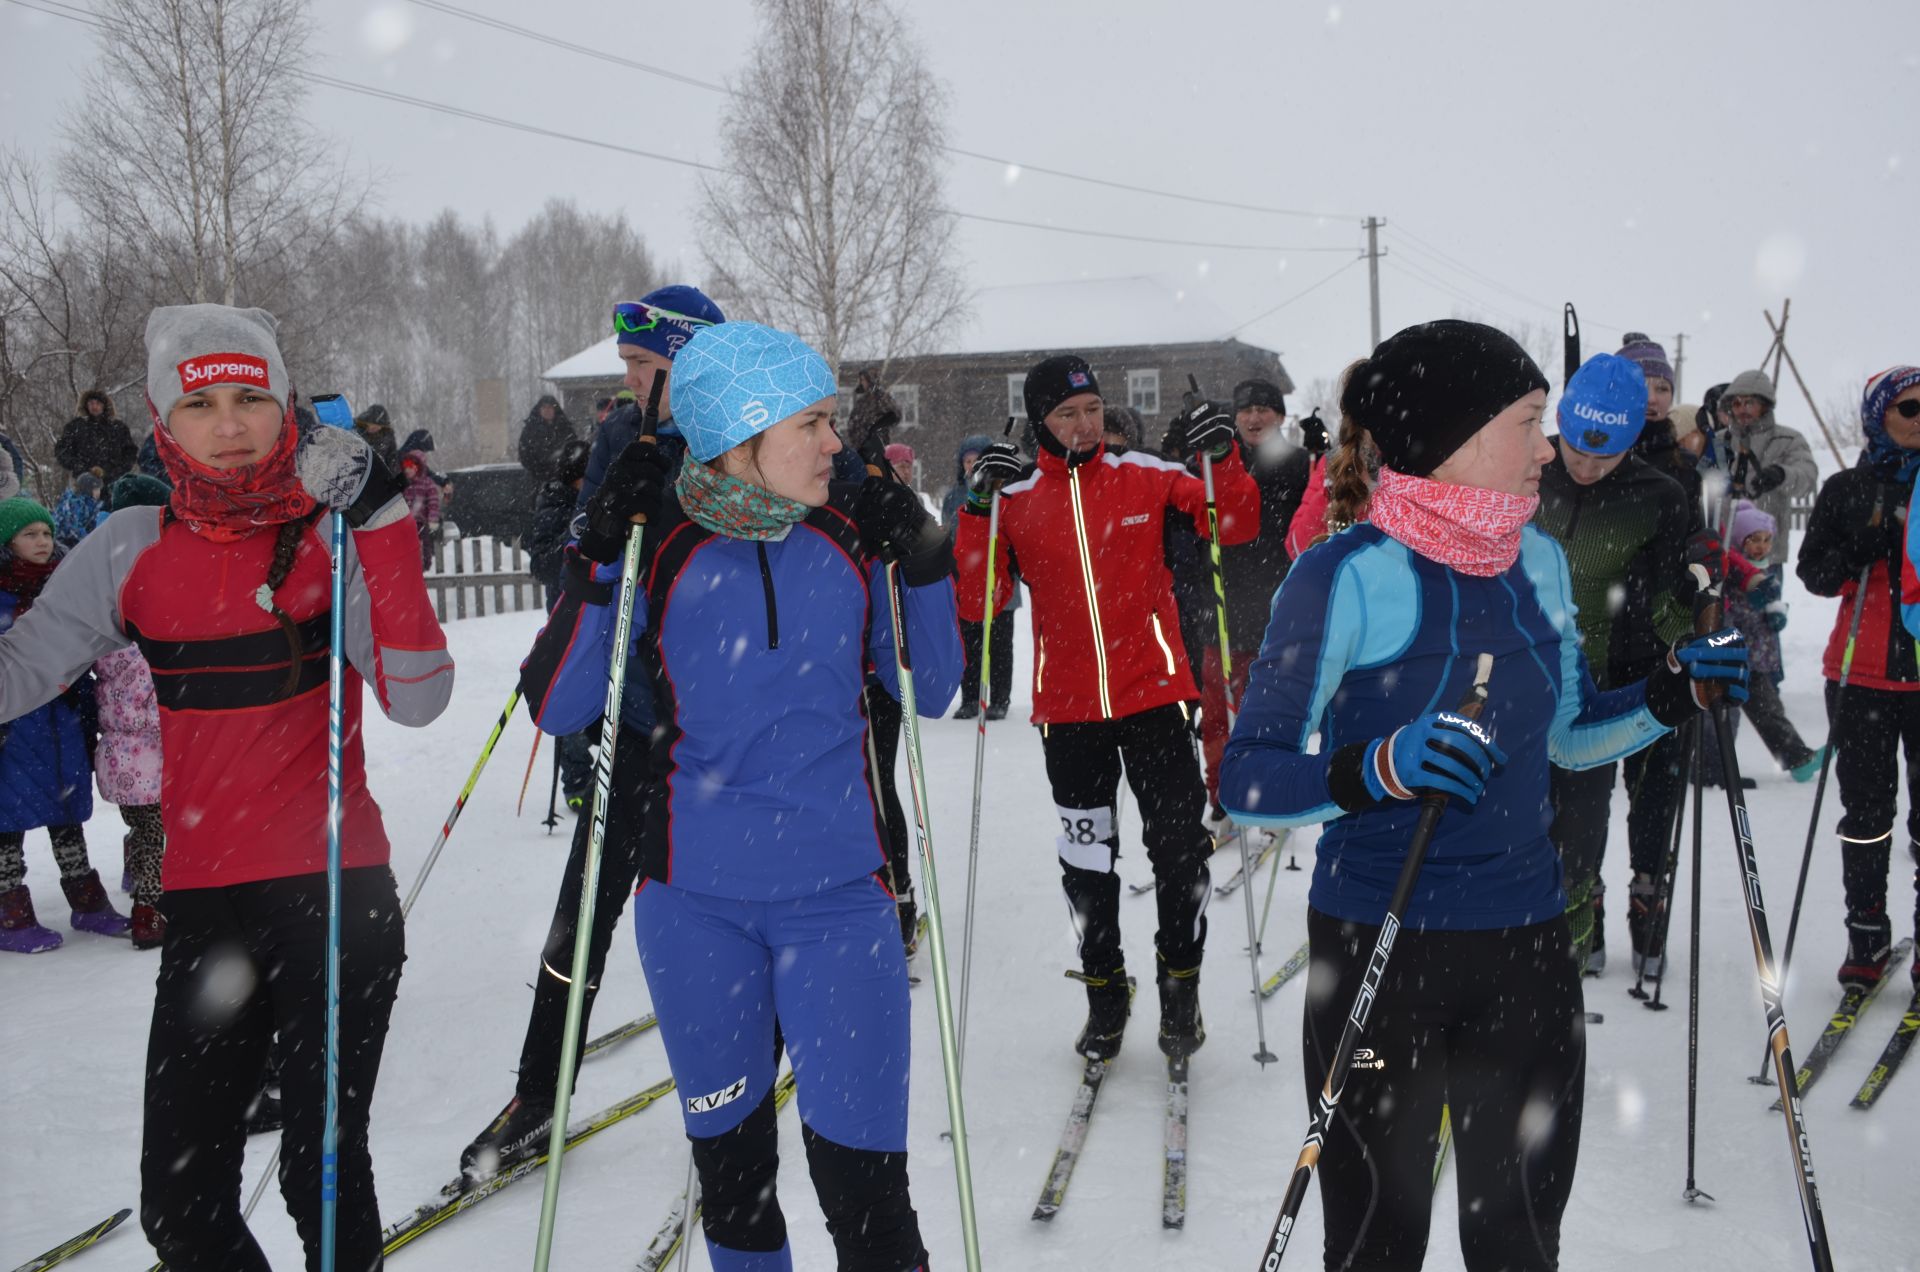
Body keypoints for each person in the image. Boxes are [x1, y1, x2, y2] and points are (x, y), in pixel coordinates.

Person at [1219, 320, 1748, 1271]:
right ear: (1459, 437)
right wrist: (1378, 767)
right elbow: (1248, 777)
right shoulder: (1342, 577)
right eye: (1532, 422)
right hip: (1380, 952)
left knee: (1517, 1237)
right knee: (1381, 1236)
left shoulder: (1536, 561)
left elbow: (1570, 737)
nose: (1549, 448)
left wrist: (1672, 689)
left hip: (1528, 949)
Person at [0, 303, 453, 1268]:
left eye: (252, 397)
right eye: (202, 403)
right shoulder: (131, 545)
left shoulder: (331, 533)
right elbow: (17, 674)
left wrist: (378, 523)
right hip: (206, 900)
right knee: (180, 1203)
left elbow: (418, 697)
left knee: (317, 1173)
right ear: (166, 419)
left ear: (284, 406)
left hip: (333, 892)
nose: (233, 424)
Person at [523, 320, 957, 1270]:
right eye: (814, 423)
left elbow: (935, 680)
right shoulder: (658, 544)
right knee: (736, 1190)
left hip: (842, 903)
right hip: (695, 912)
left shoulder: (845, 536)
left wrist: (922, 560)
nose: (837, 444)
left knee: (870, 1202)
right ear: (742, 436)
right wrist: (595, 557)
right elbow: (557, 705)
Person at [460, 287, 723, 1184]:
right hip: (639, 714)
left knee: (712, 923)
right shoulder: (621, 435)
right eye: (629, 368)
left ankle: (735, 1083)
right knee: (581, 917)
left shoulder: (745, 434)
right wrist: (601, 532)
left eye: (647, 369)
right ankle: (538, 1092)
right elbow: (582, 555)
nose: (631, 384)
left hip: (725, 739)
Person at [956, 355, 1259, 1060]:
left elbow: (1233, 523)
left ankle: (1179, 991)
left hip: (1154, 698)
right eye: (1068, 414)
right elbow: (982, 601)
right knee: (1088, 867)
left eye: (1093, 409)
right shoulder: (1018, 498)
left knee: (1180, 852)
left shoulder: (1147, 478)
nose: (1086, 424)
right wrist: (977, 511)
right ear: (1040, 423)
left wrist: (1224, 455)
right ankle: (1105, 992)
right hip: (1068, 717)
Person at [1533, 354, 1695, 977]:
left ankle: (1618, 916)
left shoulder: (1658, 495)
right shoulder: (1528, 467)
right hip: (1535, 674)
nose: (1586, 465)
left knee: (1616, 807)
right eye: (1576, 447)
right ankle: (1563, 929)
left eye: (1606, 455)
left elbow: (1664, 598)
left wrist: (1696, 642)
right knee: (1551, 822)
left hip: (1612, 678)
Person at [1806, 365, 1920, 988]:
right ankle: (1866, 935)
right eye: (1909, 408)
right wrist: (1865, 547)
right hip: (1861, 674)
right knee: (1867, 815)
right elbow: (1815, 574)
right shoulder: (1848, 487)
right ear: (1880, 414)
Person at [0, 496, 127, 952]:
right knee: (6, 821)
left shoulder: (62, 589)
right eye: (29, 534)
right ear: (7, 542)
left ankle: (88, 902)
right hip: (13, 727)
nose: (42, 541)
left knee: (66, 811)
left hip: (62, 719)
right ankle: (9, 912)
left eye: (46, 533)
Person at [1199, 377, 1311, 825]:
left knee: (1271, 715)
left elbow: (1320, 514)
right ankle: (1223, 798)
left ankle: (1273, 794)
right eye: (1246, 409)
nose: (1254, 416)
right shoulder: (1216, 462)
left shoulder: (1299, 463)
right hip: (1222, 609)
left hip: (1279, 609)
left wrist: (1324, 458)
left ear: (1281, 416)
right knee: (1217, 718)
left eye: (1265, 408)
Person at [91, 474, 172, 949]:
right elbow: (152, 706)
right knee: (156, 841)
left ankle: (144, 890)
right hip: (149, 763)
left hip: (121, 762)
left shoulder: (108, 628)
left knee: (143, 833)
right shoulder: (140, 650)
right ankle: (151, 912)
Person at [1719, 499, 1822, 779]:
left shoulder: (1767, 569)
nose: (1761, 546)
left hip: (1757, 657)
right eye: (1754, 540)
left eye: (1766, 540)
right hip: (1740, 655)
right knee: (1749, 712)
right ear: (1739, 541)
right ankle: (1795, 757)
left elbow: (1769, 606)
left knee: (1766, 710)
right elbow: (1733, 612)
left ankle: (1797, 758)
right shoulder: (1731, 572)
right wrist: (1760, 609)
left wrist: (1777, 612)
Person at [523, 435, 597, 812]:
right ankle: (578, 778)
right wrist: (576, 538)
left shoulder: (596, 498)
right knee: (569, 692)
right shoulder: (555, 502)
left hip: (602, 608)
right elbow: (542, 564)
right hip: (566, 614)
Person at [1698, 368, 1818, 565]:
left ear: (1764, 405)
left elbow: (1806, 476)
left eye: (1750, 403)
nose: (1742, 409)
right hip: (1722, 551)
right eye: (1737, 403)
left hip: (1765, 554)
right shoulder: (1720, 441)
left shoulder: (1788, 440)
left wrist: (1781, 475)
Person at [944, 432, 1015, 721]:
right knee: (969, 646)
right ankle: (970, 697)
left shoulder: (1003, 492)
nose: (971, 466)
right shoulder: (954, 496)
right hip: (966, 580)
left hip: (998, 580)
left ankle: (999, 697)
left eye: (976, 460)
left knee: (999, 645)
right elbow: (951, 531)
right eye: (967, 461)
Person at [1618, 333, 1704, 530]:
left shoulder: (1683, 463)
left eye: (1662, 389)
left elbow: (1692, 531)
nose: (1652, 399)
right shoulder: (1598, 453)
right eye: (1641, 386)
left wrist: (1703, 546)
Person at [54, 388, 139, 486]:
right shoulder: (75, 427)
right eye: (91, 403)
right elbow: (62, 451)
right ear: (86, 405)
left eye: (98, 403)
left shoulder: (118, 428)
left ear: (104, 406)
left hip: (113, 482)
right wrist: (78, 466)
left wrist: (117, 470)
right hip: (83, 482)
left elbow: (130, 452)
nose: (94, 406)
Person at [517, 393, 577, 488]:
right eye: (544, 407)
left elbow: (574, 450)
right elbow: (524, 453)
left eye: (550, 407)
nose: (547, 410)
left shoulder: (565, 428)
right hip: (537, 480)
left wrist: (564, 469)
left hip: (563, 479)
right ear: (539, 410)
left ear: (555, 409)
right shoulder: (530, 430)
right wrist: (539, 470)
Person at [400, 449, 443, 569]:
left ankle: (424, 564)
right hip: (406, 523)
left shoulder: (427, 483)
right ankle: (409, 565)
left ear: (418, 467)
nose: (407, 469)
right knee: (406, 545)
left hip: (421, 522)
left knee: (424, 544)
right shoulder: (404, 484)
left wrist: (432, 519)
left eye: (410, 466)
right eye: (405, 466)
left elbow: (433, 502)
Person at [52, 471, 103, 547]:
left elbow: (91, 526)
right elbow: (73, 527)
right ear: (88, 489)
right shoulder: (74, 503)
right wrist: (88, 541)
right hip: (64, 543)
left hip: (77, 542)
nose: (99, 492)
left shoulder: (91, 505)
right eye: (96, 489)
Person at [353, 402, 401, 471]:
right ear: (366, 422)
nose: (373, 428)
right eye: (371, 424)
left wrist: (395, 478)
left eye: (377, 426)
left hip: (377, 473)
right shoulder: (356, 430)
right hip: (357, 470)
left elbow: (392, 459)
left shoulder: (388, 437)